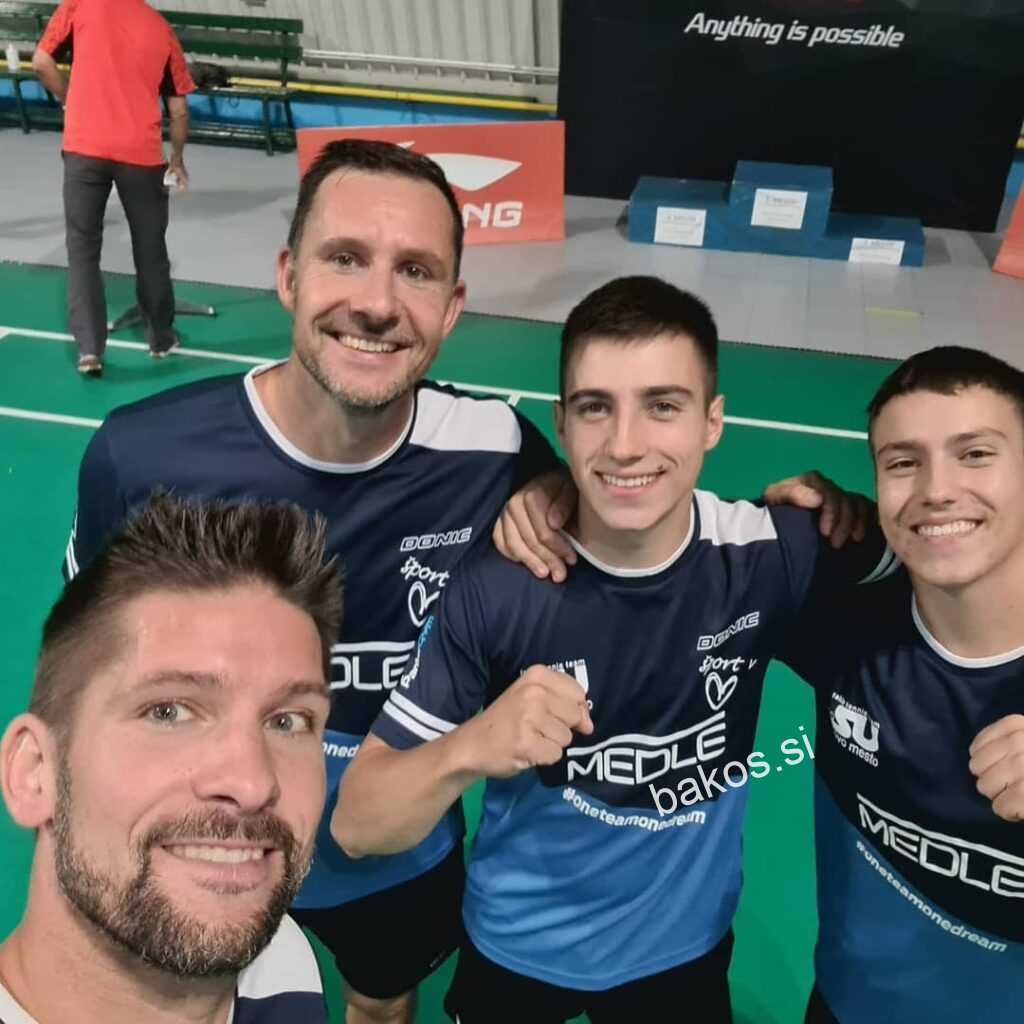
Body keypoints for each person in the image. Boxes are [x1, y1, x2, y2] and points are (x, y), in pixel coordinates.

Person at [62, 138, 569, 1024]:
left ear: (452, 308)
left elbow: (630, 519)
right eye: (345, 258)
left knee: (382, 1005)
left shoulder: (497, 452)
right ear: (289, 276)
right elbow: (86, 674)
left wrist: (802, 512)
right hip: (201, 845)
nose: (376, 303)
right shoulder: (141, 458)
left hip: (394, 858)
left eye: (415, 271)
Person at [334, 276, 895, 1023]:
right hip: (515, 945)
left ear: (713, 421)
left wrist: (857, 511)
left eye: (663, 406)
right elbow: (359, 825)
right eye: (596, 407)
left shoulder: (775, 551)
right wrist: (474, 745)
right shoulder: (501, 586)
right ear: (562, 424)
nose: (625, 446)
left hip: (682, 952)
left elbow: (957, 571)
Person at [0, 493, 341, 1023]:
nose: (252, 784)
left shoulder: (282, 963)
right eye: (169, 712)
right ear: (34, 773)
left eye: (288, 721)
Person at [778, 347, 1024, 1024]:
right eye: (903, 463)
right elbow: (670, 578)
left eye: (975, 454)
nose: (936, 489)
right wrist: (774, 527)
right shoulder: (846, 624)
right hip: (846, 1007)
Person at [32, 0, 194, 376]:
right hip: (141, 156)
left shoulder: (79, 5)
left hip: (84, 149)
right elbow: (179, 111)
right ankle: (161, 339)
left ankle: (89, 350)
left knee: (82, 250)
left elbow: (41, 62)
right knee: (150, 250)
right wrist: (178, 158)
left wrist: (71, 101)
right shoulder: (161, 29)